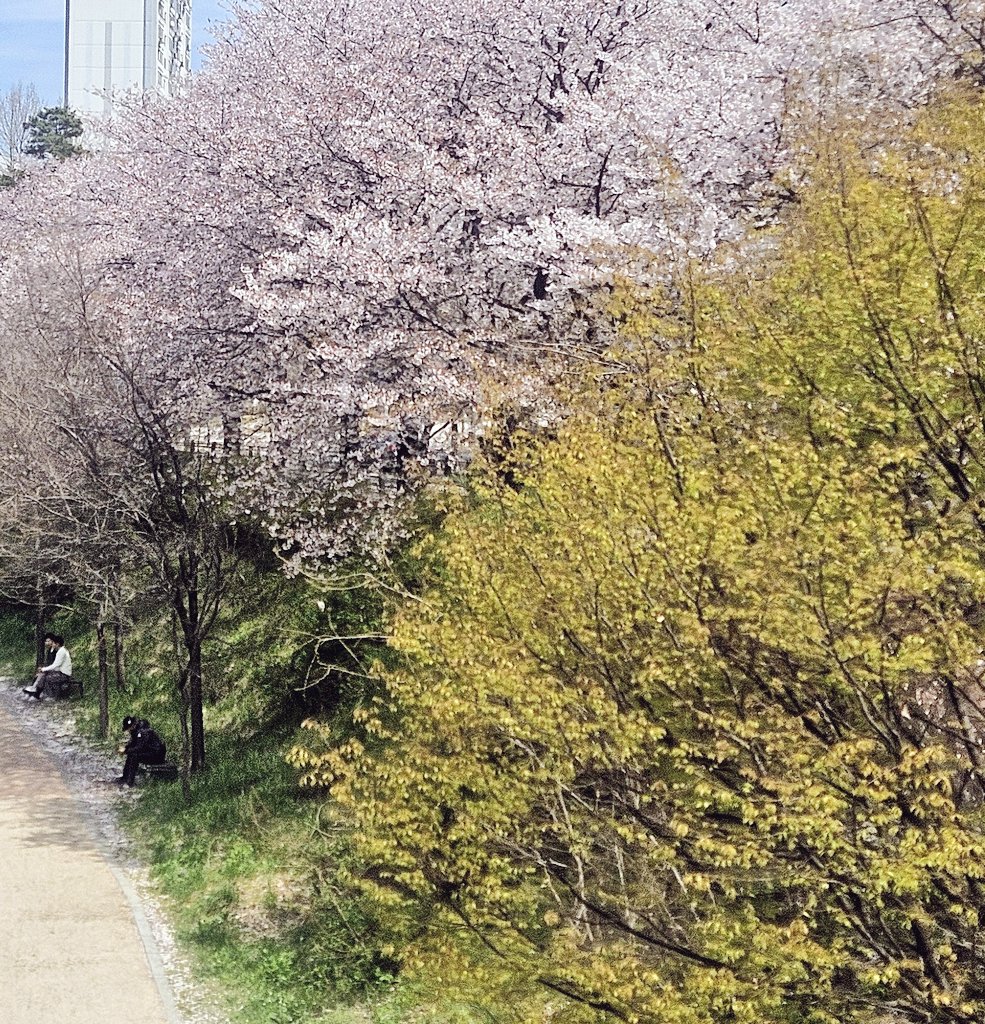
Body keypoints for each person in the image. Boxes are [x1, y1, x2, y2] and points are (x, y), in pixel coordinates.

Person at [115, 715, 166, 786]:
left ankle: (130, 782)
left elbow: (139, 747)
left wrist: (126, 751)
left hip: (156, 755)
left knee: (135, 756)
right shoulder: (136, 730)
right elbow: (134, 743)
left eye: (128, 728)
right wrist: (126, 748)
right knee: (132, 754)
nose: (128, 731)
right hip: (150, 752)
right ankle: (125, 778)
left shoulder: (142, 732)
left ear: (132, 726)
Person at [23, 633, 72, 700]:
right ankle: (37, 693)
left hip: (64, 675)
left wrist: (44, 669)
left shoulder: (61, 652)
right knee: (44, 676)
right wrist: (44, 669)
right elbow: (56, 665)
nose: (52, 644)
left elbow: (55, 665)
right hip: (61, 673)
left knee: (45, 677)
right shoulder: (61, 651)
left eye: (53, 643)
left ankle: (43, 695)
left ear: (57, 644)